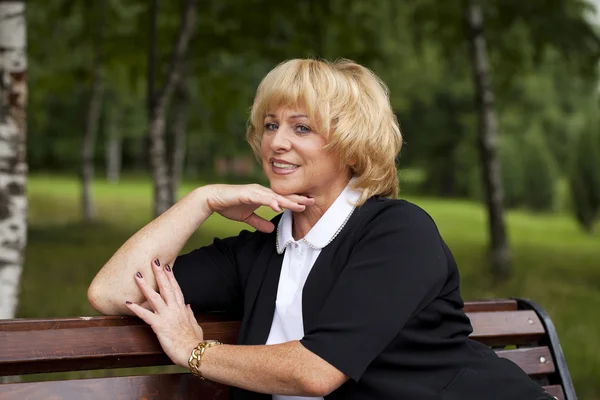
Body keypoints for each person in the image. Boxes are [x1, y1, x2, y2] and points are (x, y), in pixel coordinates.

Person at [88, 58, 554, 400]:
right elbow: (111, 292)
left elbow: (317, 370)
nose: (276, 141)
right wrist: (200, 201)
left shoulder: (398, 233)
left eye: (301, 128)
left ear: (352, 146)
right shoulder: (260, 251)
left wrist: (195, 351)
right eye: (270, 125)